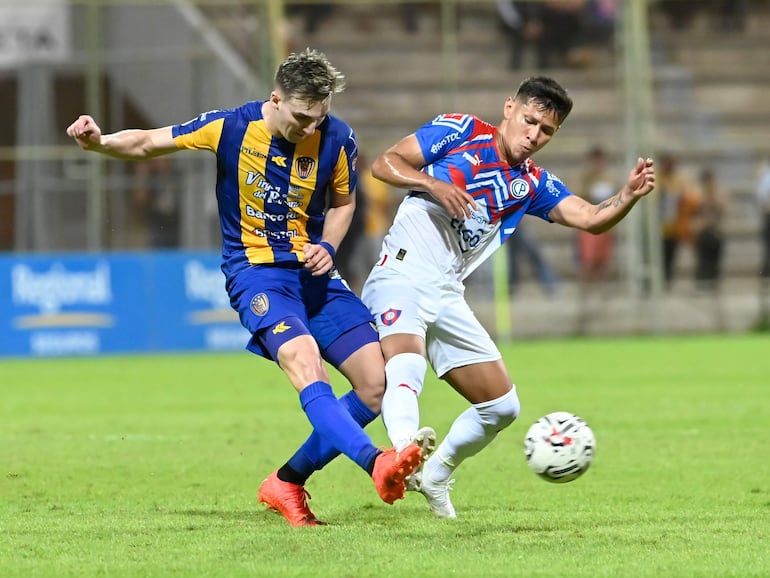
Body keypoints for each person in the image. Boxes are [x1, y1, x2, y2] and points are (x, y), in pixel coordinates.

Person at [66, 48, 423, 527]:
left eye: (320, 118)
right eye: (301, 118)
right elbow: (149, 142)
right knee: (305, 362)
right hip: (257, 275)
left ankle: (287, 482)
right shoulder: (230, 127)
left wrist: (330, 246)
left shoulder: (337, 138)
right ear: (275, 100)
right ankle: (375, 462)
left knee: (374, 384)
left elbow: (344, 202)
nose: (311, 129)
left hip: (314, 272)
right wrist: (100, 141)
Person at [360, 76, 656, 519]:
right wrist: (432, 184)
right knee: (407, 360)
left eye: (547, 131)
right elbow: (385, 164)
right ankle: (402, 453)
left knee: (501, 407)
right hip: (402, 270)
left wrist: (627, 196)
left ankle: (435, 474)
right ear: (509, 109)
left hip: (446, 290)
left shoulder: (532, 183)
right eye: (530, 121)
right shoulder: (461, 131)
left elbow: (591, 217)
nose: (534, 135)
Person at [658, 152, 700, 290]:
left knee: (670, 256)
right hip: (660, 225)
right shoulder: (657, 179)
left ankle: (667, 283)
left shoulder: (679, 180)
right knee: (660, 256)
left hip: (674, 225)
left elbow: (690, 198)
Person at [693, 168, 726, 292]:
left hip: (715, 232)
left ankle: (713, 286)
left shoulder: (718, 193)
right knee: (703, 261)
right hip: (703, 232)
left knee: (715, 262)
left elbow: (722, 209)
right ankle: (702, 286)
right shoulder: (698, 194)